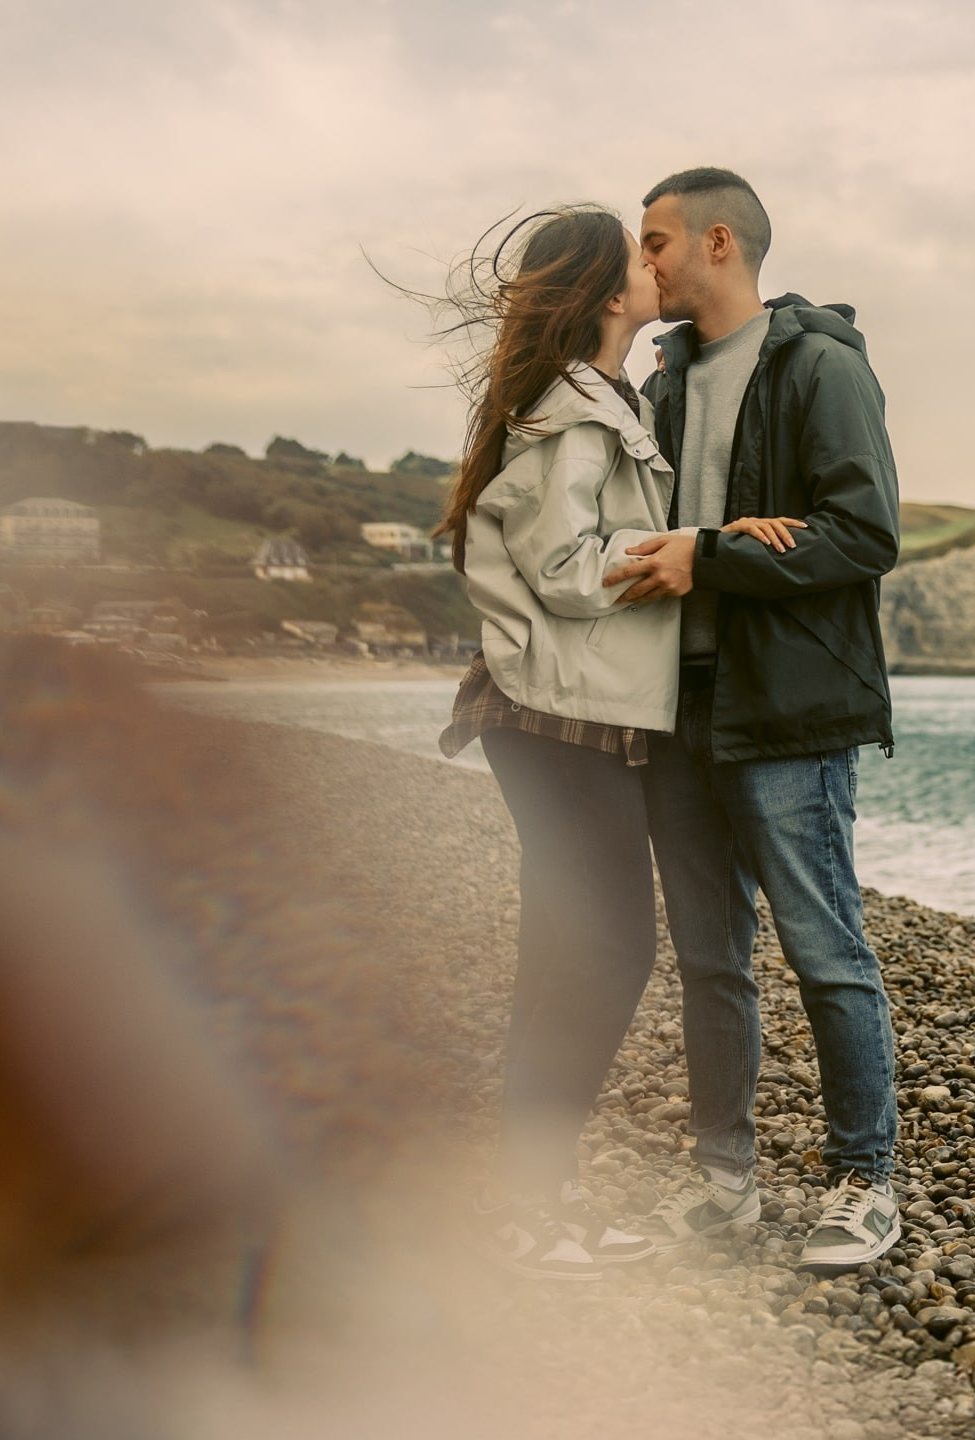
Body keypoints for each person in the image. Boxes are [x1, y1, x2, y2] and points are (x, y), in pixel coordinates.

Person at [605, 167, 907, 1271]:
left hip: (788, 712)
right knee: (709, 962)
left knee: (827, 953)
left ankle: (865, 1184)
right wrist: (719, 541)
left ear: (718, 241)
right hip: (676, 709)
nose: (644, 261)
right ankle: (724, 1188)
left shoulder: (820, 365)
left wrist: (713, 553)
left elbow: (865, 534)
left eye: (655, 241)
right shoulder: (667, 382)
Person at [432, 205, 682, 1280]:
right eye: (639, 256)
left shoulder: (596, 401)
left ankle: (528, 1205)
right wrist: (693, 549)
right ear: (609, 294)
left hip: (557, 709)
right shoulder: (576, 417)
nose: (655, 266)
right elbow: (572, 572)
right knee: (610, 951)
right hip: (551, 711)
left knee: (563, 956)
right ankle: (526, 1215)